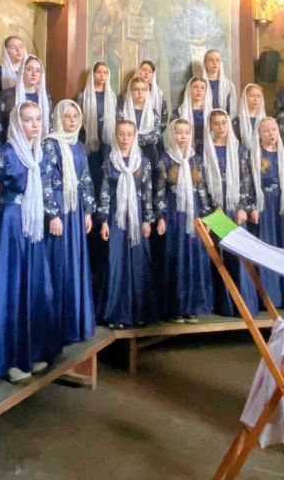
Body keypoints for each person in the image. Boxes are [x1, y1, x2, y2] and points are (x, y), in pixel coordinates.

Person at [0, 101, 58, 382]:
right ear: (17, 123)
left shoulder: (41, 154)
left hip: (34, 224)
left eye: (38, 119)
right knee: (12, 287)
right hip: (10, 224)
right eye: (27, 120)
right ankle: (10, 359)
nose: (34, 125)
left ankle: (33, 351)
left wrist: (53, 215)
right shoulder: (4, 153)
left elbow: (48, 188)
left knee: (35, 285)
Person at [45, 100, 97, 345]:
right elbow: (44, 180)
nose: (72, 121)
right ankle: (57, 327)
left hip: (76, 210)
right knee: (59, 262)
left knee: (74, 262)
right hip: (59, 209)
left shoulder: (78, 145)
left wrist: (88, 212)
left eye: (76, 116)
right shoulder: (50, 144)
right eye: (67, 116)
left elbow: (85, 179)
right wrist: (52, 214)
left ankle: (75, 322)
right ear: (58, 119)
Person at [97, 119, 156, 329]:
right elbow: (104, 192)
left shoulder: (144, 162)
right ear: (116, 135)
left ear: (135, 136)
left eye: (129, 134)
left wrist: (148, 220)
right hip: (117, 218)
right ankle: (117, 314)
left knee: (138, 262)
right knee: (116, 262)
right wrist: (104, 221)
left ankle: (139, 313)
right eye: (121, 133)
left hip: (137, 217)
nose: (125, 138)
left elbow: (147, 193)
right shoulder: (109, 161)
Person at [156, 118, 212, 322]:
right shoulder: (165, 160)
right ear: (172, 135)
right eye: (179, 133)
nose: (182, 137)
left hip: (193, 214)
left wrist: (205, 217)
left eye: (186, 133)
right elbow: (159, 191)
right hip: (174, 214)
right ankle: (176, 308)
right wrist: (161, 217)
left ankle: (192, 307)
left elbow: (202, 190)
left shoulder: (196, 159)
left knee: (193, 257)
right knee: (176, 256)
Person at [204, 108, 259, 317]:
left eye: (223, 123)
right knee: (219, 256)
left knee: (238, 256)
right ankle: (223, 305)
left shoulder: (238, 150)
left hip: (235, 209)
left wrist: (243, 207)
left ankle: (242, 306)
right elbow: (201, 182)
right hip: (215, 211)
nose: (220, 127)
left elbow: (246, 180)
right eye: (216, 123)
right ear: (210, 126)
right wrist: (212, 207)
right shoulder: (204, 150)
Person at [248, 116, 284, 308]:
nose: (271, 134)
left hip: (283, 208)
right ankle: (270, 298)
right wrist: (252, 206)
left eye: (274, 130)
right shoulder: (254, 156)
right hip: (264, 207)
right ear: (259, 134)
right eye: (266, 130)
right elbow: (249, 184)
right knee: (267, 248)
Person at [0, 54, 51, 151]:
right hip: (11, 149)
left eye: (38, 70)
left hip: (39, 149)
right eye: (29, 69)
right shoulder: (7, 96)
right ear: (22, 71)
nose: (34, 74)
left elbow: (49, 125)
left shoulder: (45, 98)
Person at [120, 73, 166, 187]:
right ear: (130, 91)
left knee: (149, 186)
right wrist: (135, 140)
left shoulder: (153, 113)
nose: (140, 92)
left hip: (149, 154)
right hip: (127, 153)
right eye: (136, 89)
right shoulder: (122, 112)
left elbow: (155, 136)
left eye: (143, 89)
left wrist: (133, 138)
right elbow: (119, 133)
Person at [179, 76, 212, 155]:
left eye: (202, 88)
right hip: (186, 151)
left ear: (206, 91)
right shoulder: (179, 112)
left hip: (207, 151)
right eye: (195, 87)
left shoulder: (211, 113)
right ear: (189, 89)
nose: (199, 90)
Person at [202, 49, 237, 118]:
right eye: (211, 60)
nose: (214, 63)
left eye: (217, 60)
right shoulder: (200, 84)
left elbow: (232, 109)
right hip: (204, 120)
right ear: (205, 63)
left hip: (223, 121)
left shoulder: (229, 85)